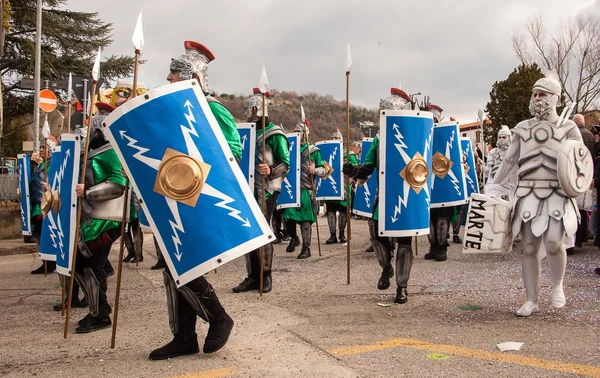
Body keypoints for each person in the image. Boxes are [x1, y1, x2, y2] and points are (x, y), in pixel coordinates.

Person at [149, 41, 237, 360]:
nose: (169, 79)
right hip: (172, 195)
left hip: (198, 197)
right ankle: (184, 337)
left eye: (175, 74)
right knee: (172, 264)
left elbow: (231, 153)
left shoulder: (212, 109)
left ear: (192, 78)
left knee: (183, 263)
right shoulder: (173, 110)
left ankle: (218, 317)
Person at [490, 74, 584, 317]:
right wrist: (493, 188)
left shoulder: (569, 127)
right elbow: (510, 159)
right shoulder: (522, 128)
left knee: (554, 242)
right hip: (528, 192)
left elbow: (580, 162)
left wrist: (575, 186)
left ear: (555, 98)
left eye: (543, 93)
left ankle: (557, 285)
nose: (537, 98)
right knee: (530, 248)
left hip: (557, 192)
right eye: (535, 93)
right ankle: (531, 300)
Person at [343, 87, 419, 304]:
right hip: (384, 195)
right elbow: (368, 166)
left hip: (407, 195)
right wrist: (353, 170)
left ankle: (402, 287)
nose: (380, 115)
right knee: (376, 234)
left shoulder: (413, 134)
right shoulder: (378, 139)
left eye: (384, 110)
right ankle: (387, 268)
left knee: (404, 242)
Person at [71, 101, 128, 333]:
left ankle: (100, 314)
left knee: (91, 265)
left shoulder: (110, 152)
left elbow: (118, 184)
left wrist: (88, 191)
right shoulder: (94, 152)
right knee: (85, 265)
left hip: (106, 219)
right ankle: (98, 310)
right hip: (92, 219)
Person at [232, 88, 289, 293]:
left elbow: (285, 163)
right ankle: (252, 277)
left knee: (262, 230)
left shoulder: (275, 134)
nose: (247, 113)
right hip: (247, 188)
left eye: (249, 109)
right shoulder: (246, 132)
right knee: (248, 231)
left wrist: (270, 169)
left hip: (267, 189)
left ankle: (266, 276)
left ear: (256, 109)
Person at [283, 122, 326, 259]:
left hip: (306, 189)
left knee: (305, 220)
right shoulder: (289, 148)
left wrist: (315, 170)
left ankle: (306, 248)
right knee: (287, 217)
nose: (297, 133)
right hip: (291, 188)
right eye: (295, 130)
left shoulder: (314, 151)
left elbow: (325, 170)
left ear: (306, 134)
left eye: (300, 131)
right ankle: (294, 238)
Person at [424, 104, 452, 262]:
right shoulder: (422, 136)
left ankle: (442, 248)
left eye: (434, 119)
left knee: (442, 219)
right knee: (430, 219)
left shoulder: (446, 135)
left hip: (442, 183)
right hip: (426, 182)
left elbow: (454, 156)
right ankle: (433, 246)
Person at [323, 130, 358, 245]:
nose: (334, 140)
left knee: (343, 210)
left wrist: (350, 179)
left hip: (343, 187)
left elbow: (355, 169)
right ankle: (332, 235)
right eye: (333, 138)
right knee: (331, 210)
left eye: (337, 139)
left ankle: (342, 234)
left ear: (341, 141)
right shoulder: (327, 153)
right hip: (331, 186)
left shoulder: (348, 154)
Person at [29, 138, 58, 274]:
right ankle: (46, 261)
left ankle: (50, 262)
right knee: (39, 233)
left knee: (45, 233)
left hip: (48, 203)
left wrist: (50, 187)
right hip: (38, 203)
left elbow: (59, 180)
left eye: (44, 148)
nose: (41, 150)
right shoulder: (41, 165)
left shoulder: (54, 164)